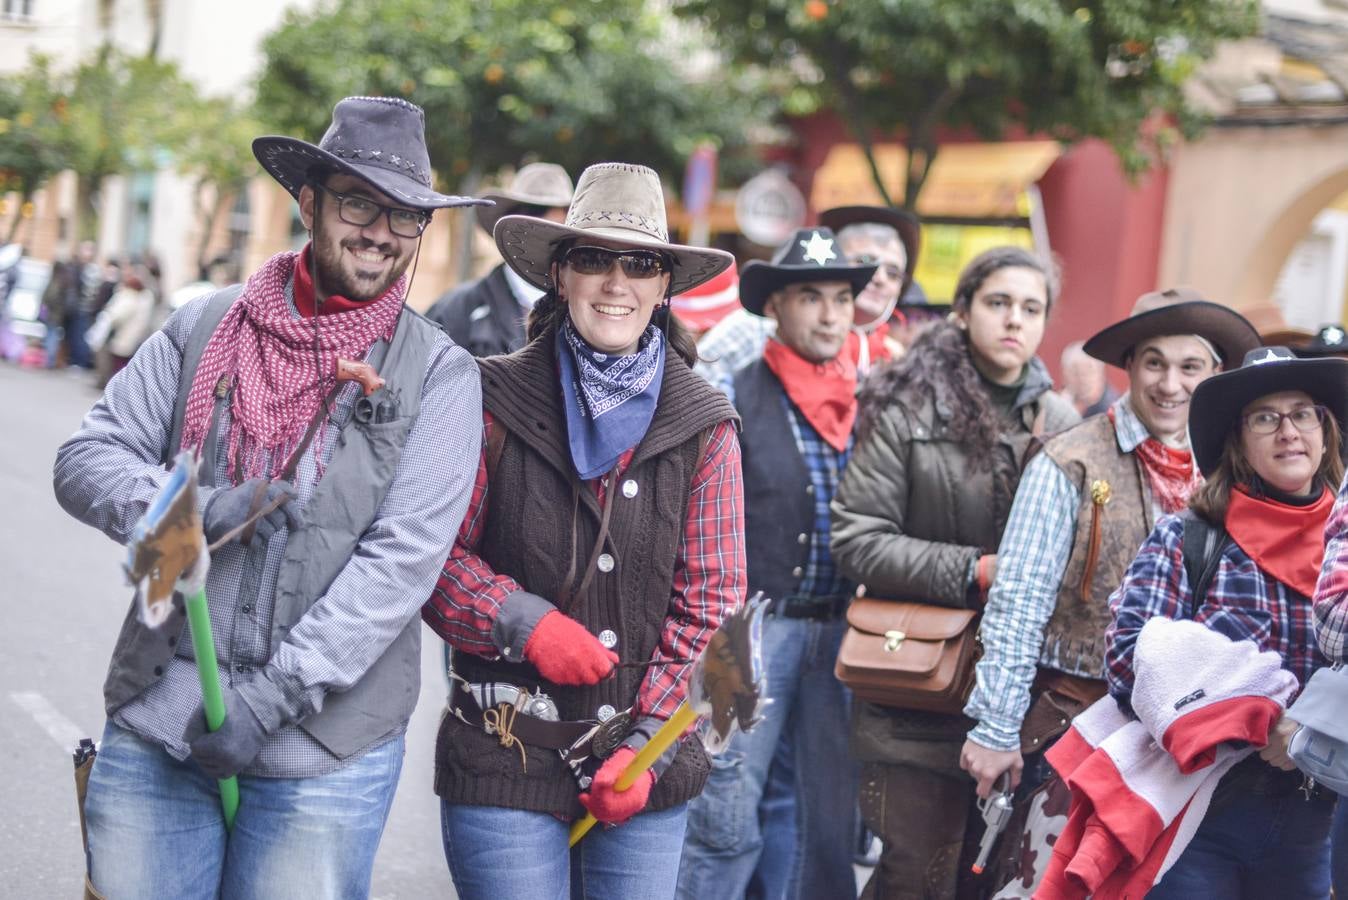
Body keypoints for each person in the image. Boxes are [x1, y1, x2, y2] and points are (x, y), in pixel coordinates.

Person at [52, 95, 485, 900]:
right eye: (359, 202)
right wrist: (184, 510)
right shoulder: (202, 327)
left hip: (324, 747)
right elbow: (86, 458)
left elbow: (401, 563)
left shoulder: (442, 374)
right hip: (159, 717)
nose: (382, 233)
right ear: (309, 201)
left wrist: (273, 697)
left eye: (406, 216)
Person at [421, 162, 744, 899]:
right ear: (560, 275)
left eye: (640, 264)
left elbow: (714, 605)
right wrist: (520, 621)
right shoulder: (486, 394)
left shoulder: (707, 423)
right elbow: (432, 558)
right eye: (593, 259)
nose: (616, 282)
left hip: (641, 768)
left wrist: (648, 752)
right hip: (504, 755)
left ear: (665, 285)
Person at [958, 288, 1260, 894]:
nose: (1170, 383)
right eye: (1154, 363)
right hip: (1071, 728)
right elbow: (1018, 601)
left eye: (1190, 366)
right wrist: (995, 729)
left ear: (1216, 375)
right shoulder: (1069, 459)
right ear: (1129, 368)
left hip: (1189, 751)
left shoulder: (1234, 473)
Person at [829, 247, 1078, 899]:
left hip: (1023, 699)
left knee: (992, 878)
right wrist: (979, 570)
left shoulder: (1065, 424)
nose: (1014, 321)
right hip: (916, 691)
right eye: (998, 303)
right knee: (917, 876)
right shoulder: (904, 404)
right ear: (964, 311)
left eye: (1031, 308)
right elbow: (858, 541)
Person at [678, 226, 877, 900]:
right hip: (743, 632)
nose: (830, 315)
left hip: (843, 634)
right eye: (811, 297)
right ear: (777, 307)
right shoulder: (729, 393)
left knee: (818, 811)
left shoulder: (870, 403)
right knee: (722, 806)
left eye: (842, 299)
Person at [1104, 345, 1344, 897]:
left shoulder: (1346, 546)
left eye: (1303, 413)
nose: (1288, 431)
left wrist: (1314, 733)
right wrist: (1259, 722)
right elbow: (1126, 664)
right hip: (1198, 814)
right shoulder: (1188, 538)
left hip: (1317, 826)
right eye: (1266, 417)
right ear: (1238, 439)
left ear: (1325, 431)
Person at [696, 205, 919, 389]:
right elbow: (696, 396)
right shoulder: (752, 329)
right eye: (864, 262)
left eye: (893, 273)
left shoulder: (896, 359)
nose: (879, 278)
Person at [425, 162, 574, 356]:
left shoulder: (585, 312)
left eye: (560, 233)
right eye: (539, 229)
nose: (549, 245)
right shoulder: (454, 310)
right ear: (513, 230)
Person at [86, 262, 156, 377]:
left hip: (125, 334)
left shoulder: (131, 294)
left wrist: (108, 316)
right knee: (123, 363)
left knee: (119, 364)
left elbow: (119, 314)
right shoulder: (145, 296)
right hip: (134, 334)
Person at [1058, 340, 1119, 418]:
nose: (1083, 379)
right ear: (1064, 375)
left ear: (1101, 373)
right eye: (1076, 373)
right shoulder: (1062, 402)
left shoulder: (1111, 410)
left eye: (1089, 370)